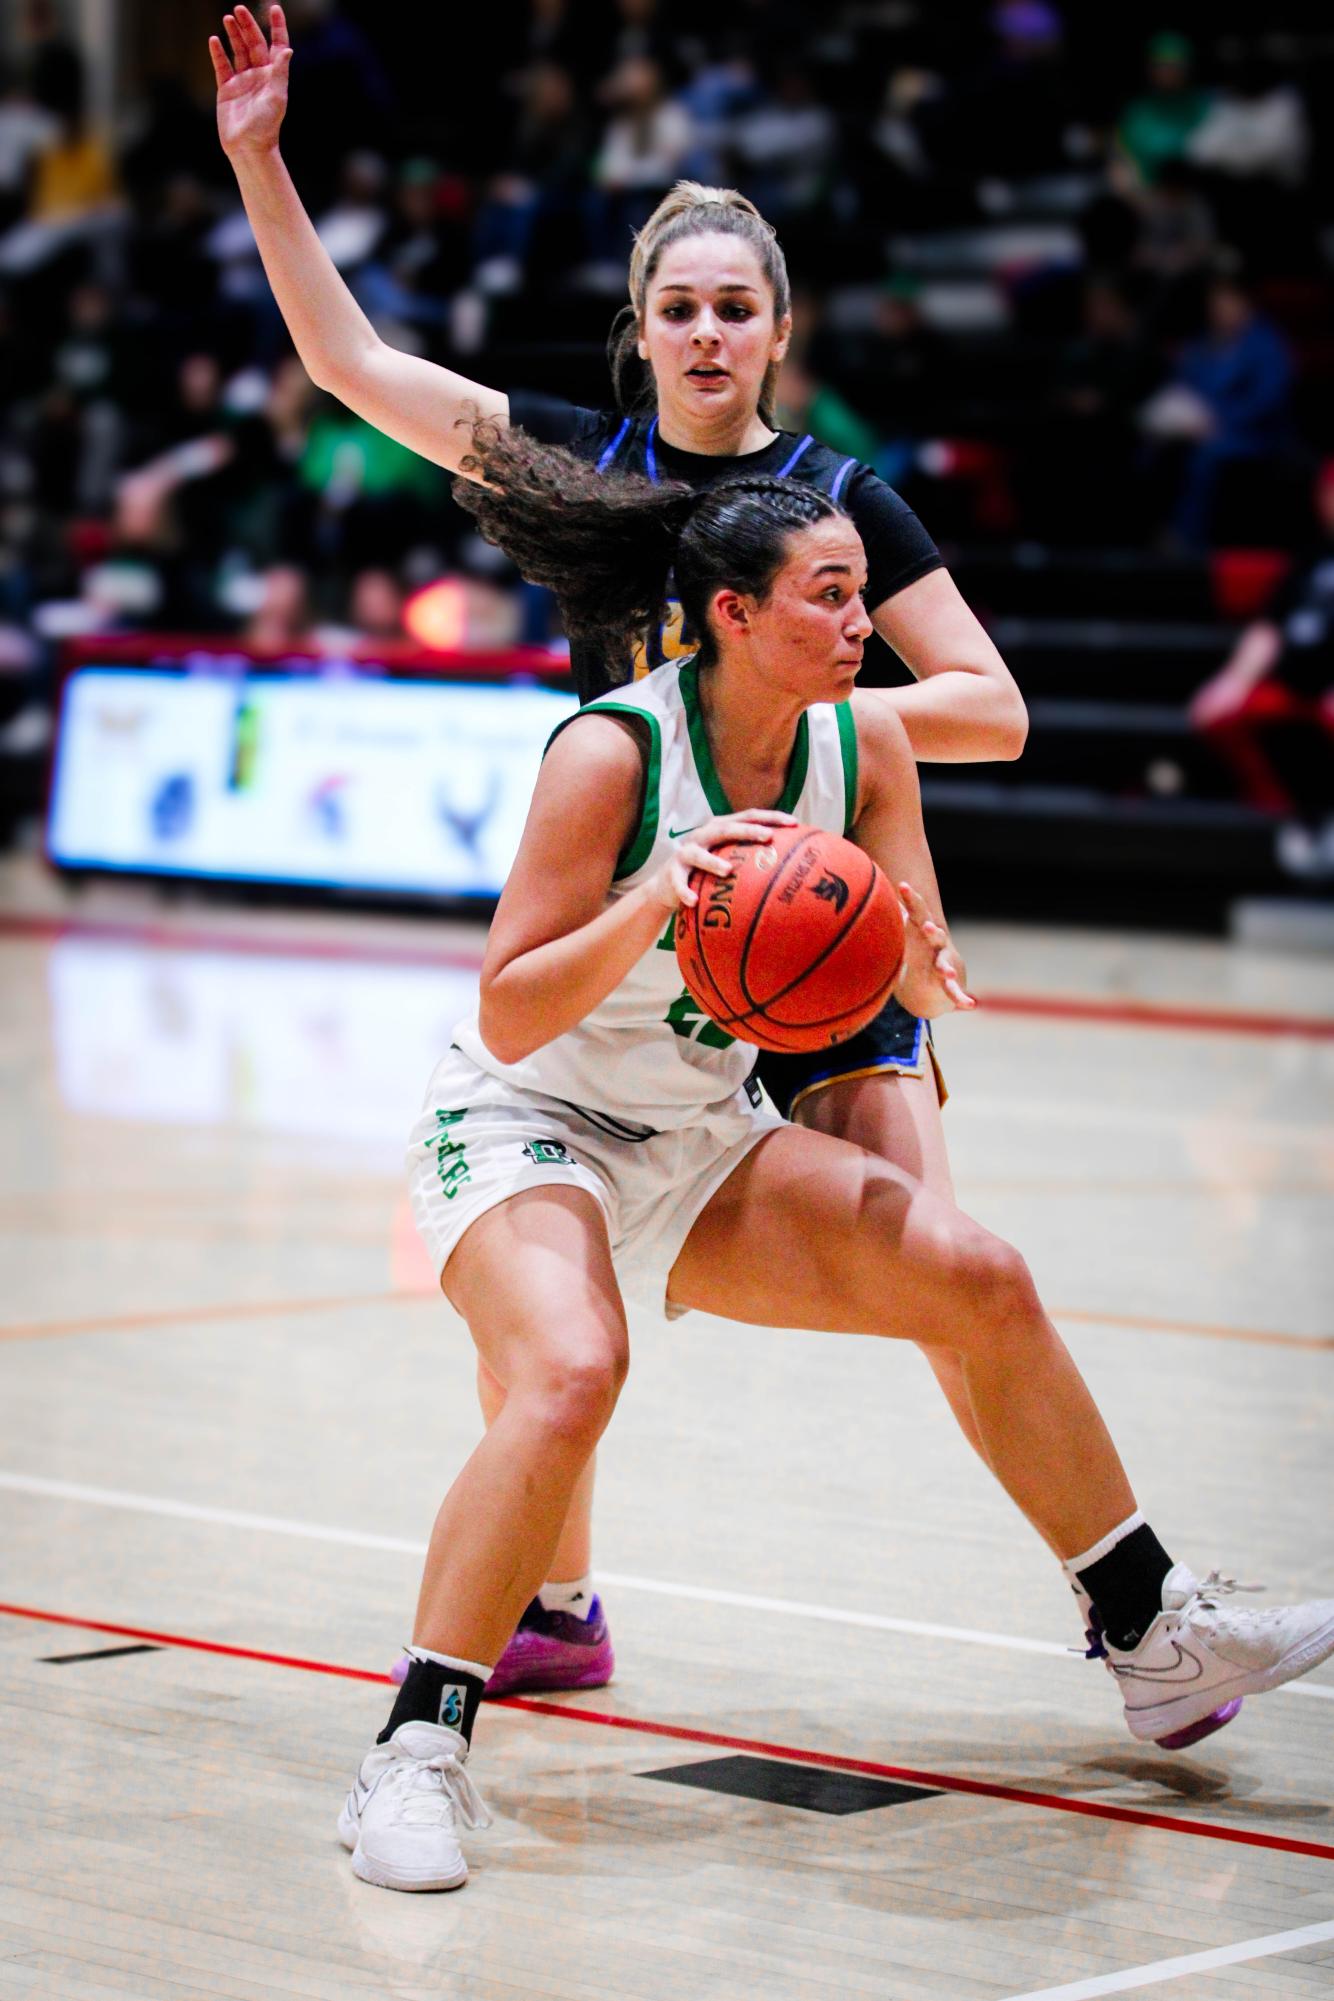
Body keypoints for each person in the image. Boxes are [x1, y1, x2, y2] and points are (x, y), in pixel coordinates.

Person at [206, 5, 1219, 1736]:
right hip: (637, 909)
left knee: (943, 1265)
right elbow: (356, 371)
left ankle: (1136, 1620)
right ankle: (551, 1602)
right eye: (674, 304)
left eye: (732, 305)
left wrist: (823, 716)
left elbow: (992, 706)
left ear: (774, 331)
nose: (703, 329)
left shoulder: (837, 502)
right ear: (640, 328)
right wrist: (257, 160)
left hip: (805, 920)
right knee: (553, 1291)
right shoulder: (586, 464)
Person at [340, 420, 1334, 1893]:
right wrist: (656, 902)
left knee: (975, 1273)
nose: (861, 623)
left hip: (690, 1131)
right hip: (519, 1114)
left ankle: (1150, 1631)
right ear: (733, 614)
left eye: (862, 590)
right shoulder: (610, 748)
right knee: (571, 1368)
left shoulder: (861, 741)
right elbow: (507, 996)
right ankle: (415, 1751)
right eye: (826, 593)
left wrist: (911, 957)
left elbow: (897, 965)